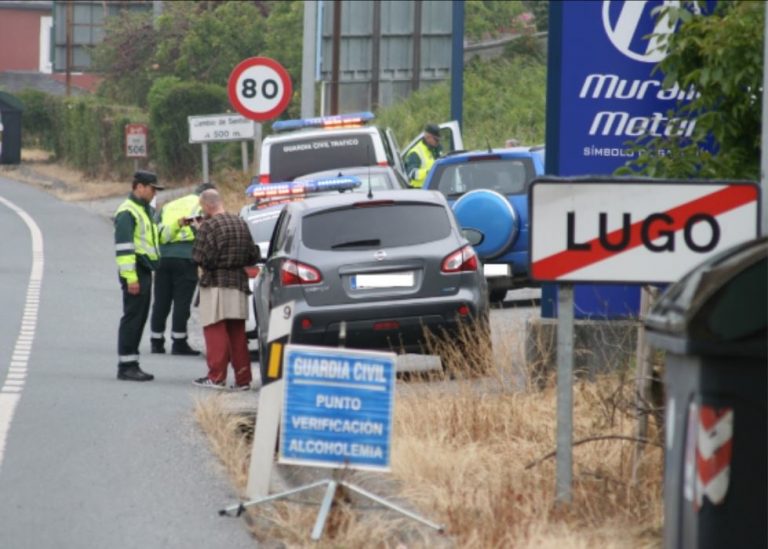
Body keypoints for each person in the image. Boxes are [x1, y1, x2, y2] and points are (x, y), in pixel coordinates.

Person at [191, 189, 260, 390]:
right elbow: (252, 255)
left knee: (215, 330)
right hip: (238, 282)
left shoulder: (209, 226)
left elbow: (199, 257)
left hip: (215, 283)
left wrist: (199, 231)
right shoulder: (240, 222)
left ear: (206, 205)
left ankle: (216, 377)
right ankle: (243, 379)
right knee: (237, 333)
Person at [149, 182, 216, 356]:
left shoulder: (170, 205)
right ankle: (179, 342)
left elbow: (155, 230)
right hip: (186, 258)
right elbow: (208, 232)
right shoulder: (202, 205)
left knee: (161, 301)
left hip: (163, 258)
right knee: (181, 302)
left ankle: (156, 341)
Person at [114, 170, 164, 382]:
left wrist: (178, 226)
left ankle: (131, 363)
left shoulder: (144, 210)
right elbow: (124, 249)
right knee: (133, 318)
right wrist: (130, 277)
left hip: (143, 270)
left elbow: (154, 237)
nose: (154, 193)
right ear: (139, 187)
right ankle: (126, 366)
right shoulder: (128, 212)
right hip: (135, 272)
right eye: (152, 189)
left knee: (139, 318)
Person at [404, 123, 443, 188]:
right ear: (428, 137)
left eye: (439, 140)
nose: (438, 142)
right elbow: (412, 173)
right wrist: (429, 172)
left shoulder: (436, 150)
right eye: (436, 140)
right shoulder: (415, 152)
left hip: (433, 189)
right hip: (419, 191)